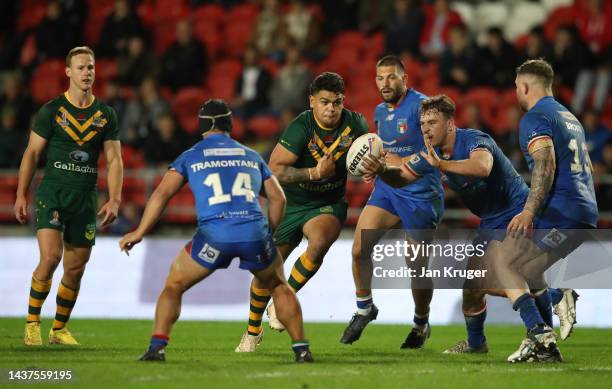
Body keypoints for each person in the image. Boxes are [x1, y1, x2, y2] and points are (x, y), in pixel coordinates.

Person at [359, 94, 578, 355]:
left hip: (517, 213)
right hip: (489, 221)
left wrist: (441, 165)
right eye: (423, 123)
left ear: (450, 124)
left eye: (433, 122)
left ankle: (540, 333)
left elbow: (482, 167)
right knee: (472, 286)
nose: (426, 129)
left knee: (509, 271)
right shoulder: (431, 154)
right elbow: (402, 177)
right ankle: (478, 344)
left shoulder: (474, 139)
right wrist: (380, 170)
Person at [119, 99, 312, 363]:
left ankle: (157, 348)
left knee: (174, 284)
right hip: (254, 234)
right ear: (229, 124)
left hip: (214, 237)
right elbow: (278, 198)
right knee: (278, 286)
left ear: (202, 126)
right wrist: (269, 232)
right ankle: (301, 349)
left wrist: (140, 230)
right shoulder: (251, 155)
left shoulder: (192, 154)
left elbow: (162, 194)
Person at [235, 72, 368, 352]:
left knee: (319, 242)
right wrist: (313, 172)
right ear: (312, 102)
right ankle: (252, 331)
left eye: (337, 102)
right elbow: (274, 170)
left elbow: (368, 154)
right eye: (325, 102)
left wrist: (372, 165)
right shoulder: (300, 127)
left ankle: (283, 301)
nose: (331, 108)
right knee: (265, 272)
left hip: (328, 203)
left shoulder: (356, 125)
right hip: (291, 203)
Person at [15, 46, 123, 346]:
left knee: (75, 269)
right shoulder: (51, 110)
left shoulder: (105, 114)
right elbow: (32, 153)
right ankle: (33, 323)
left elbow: (114, 160)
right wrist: (21, 194)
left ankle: (59, 329)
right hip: (54, 192)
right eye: (80, 68)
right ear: (68, 72)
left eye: (90, 67)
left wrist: (114, 199)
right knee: (50, 257)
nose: (86, 72)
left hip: (85, 197)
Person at [340, 55, 444, 349]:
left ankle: (421, 323)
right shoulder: (378, 111)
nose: (385, 84)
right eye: (379, 78)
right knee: (360, 247)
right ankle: (364, 308)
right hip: (388, 190)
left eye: (391, 77)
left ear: (404, 79)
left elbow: (438, 151)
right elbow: (383, 152)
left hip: (421, 193)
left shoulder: (423, 107)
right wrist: (374, 165)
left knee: (417, 265)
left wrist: (403, 161)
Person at [503, 59, 597, 362]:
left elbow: (546, 164)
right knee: (531, 270)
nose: (517, 93)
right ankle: (545, 340)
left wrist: (529, 212)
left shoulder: (536, 117)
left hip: (563, 212)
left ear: (526, 86)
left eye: (517, 87)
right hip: (582, 209)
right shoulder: (569, 117)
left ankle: (540, 333)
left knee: (504, 263)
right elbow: (588, 167)